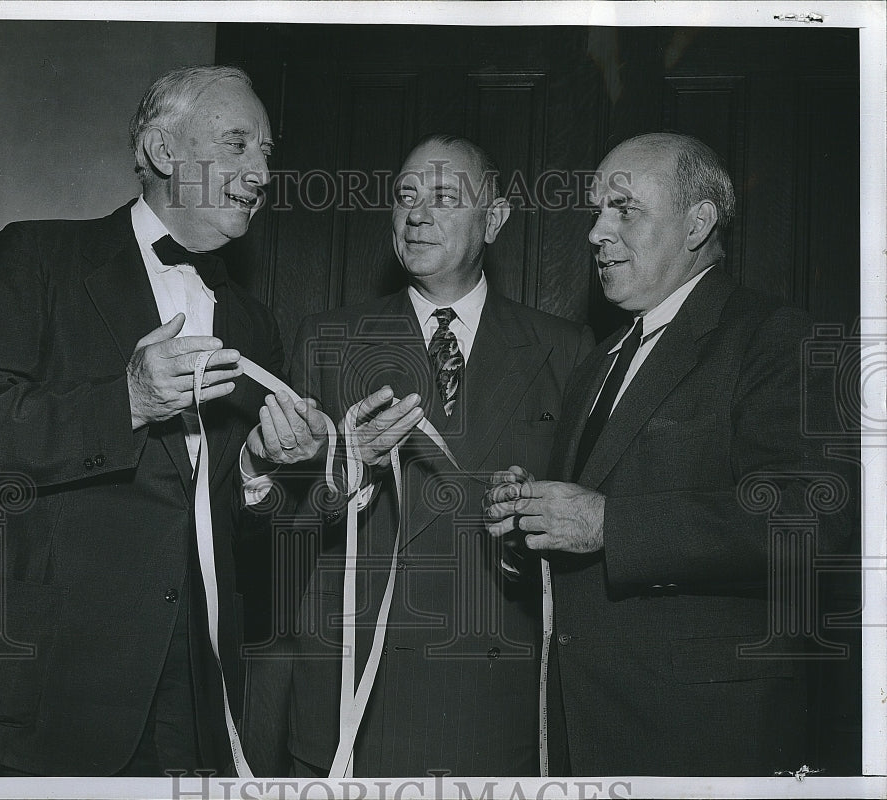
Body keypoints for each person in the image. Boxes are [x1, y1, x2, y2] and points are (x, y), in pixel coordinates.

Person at [0, 65, 325, 777]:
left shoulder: (254, 322)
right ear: (165, 152)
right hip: (42, 692)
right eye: (237, 144)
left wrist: (261, 473)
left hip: (194, 695)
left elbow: (222, 520)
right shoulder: (36, 257)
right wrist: (127, 400)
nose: (261, 171)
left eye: (266, 152)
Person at [484, 132, 854, 775]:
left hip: (704, 739)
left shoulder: (774, 337)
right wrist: (530, 522)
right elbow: (587, 526)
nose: (596, 232)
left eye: (623, 209)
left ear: (698, 223)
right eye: (597, 210)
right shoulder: (598, 362)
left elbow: (811, 519)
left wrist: (607, 523)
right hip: (585, 735)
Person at [274, 134, 593, 777]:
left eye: (444, 197)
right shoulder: (328, 339)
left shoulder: (567, 350)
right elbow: (276, 524)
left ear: (494, 220)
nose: (416, 213)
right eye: (406, 196)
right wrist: (348, 469)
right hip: (356, 697)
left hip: (498, 700)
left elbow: (583, 537)